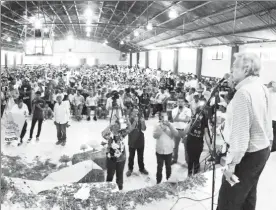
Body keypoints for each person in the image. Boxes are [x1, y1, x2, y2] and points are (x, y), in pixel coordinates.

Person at [217, 52, 273, 210]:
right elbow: (267, 122)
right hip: (261, 151)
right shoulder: (262, 88)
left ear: (246, 69)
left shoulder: (243, 93)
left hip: (246, 156)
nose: (231, 69)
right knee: (248, 195)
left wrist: (231, 164)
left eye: (235, 66)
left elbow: (240, 137)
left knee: (228, 201)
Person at [101, 117, 136, 190]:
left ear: (119, 127)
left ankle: (120, 189)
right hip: (111, 159)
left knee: (120, 176)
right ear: (112, 127)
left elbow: (130, 129)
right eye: (114, 126)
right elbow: (103, 133)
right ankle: (108, 190)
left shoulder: (121, 133)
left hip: (121, 159)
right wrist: (110, 125)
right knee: (110, 175)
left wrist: (128, 121)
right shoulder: (109, 135)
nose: (116, 127)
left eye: (117, 126)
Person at [185, 106, 211, 176]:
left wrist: (210, 147)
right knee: (190, 160)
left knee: (196, 160)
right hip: (190, 142)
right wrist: (191, 122)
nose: (199, 116)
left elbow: (206, 135)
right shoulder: (192, 119)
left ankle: (195, 176)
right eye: (198, 114)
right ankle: (189, 175)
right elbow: (185, 131)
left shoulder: (204, 122)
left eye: (201, 115)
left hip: (198, 144)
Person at [153, 113, 178, 184]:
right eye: (162, 116)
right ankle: (158, 182)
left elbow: (176, 134)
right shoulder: (157, 125)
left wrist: (169, 126)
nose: (164, 118)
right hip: (159, 150)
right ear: (160, 117)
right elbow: (154, 136)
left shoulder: (171, 125)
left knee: (168, 167)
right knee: (159, 167)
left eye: (165, 116)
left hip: (169, 150)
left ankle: (168, 181)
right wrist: (161, 129)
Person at [126, 107, 148, 177]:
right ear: (131, 112)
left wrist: (143, 122)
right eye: (135, 111)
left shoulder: (140, 118)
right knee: (131, 156)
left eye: (137, 111)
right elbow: (130, 129)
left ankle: (141, 168)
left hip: (140, 139)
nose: (136, 113)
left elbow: (144, 129)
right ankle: (130, 169)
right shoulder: (128, 119)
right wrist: (135, 121)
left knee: (141, 156)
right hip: (132, 140)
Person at [171, 98, 191, 165]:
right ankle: (174, 159)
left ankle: (187, 160)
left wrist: (178, 119)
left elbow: (187, 120)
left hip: (184, 130)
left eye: (181, 101)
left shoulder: (188, 110)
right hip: (176, 130)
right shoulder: (174, 110)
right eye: (178, 101)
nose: (180, 103)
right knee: (175, 146)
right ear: (177, 102)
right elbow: (174, 119)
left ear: (184, 102)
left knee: (186, 146)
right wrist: (178, 114)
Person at [269, 81, 276, 152]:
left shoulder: (270, 95)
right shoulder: (271, 95)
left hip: (272, 118)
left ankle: (273, 147)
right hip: (272, 118)